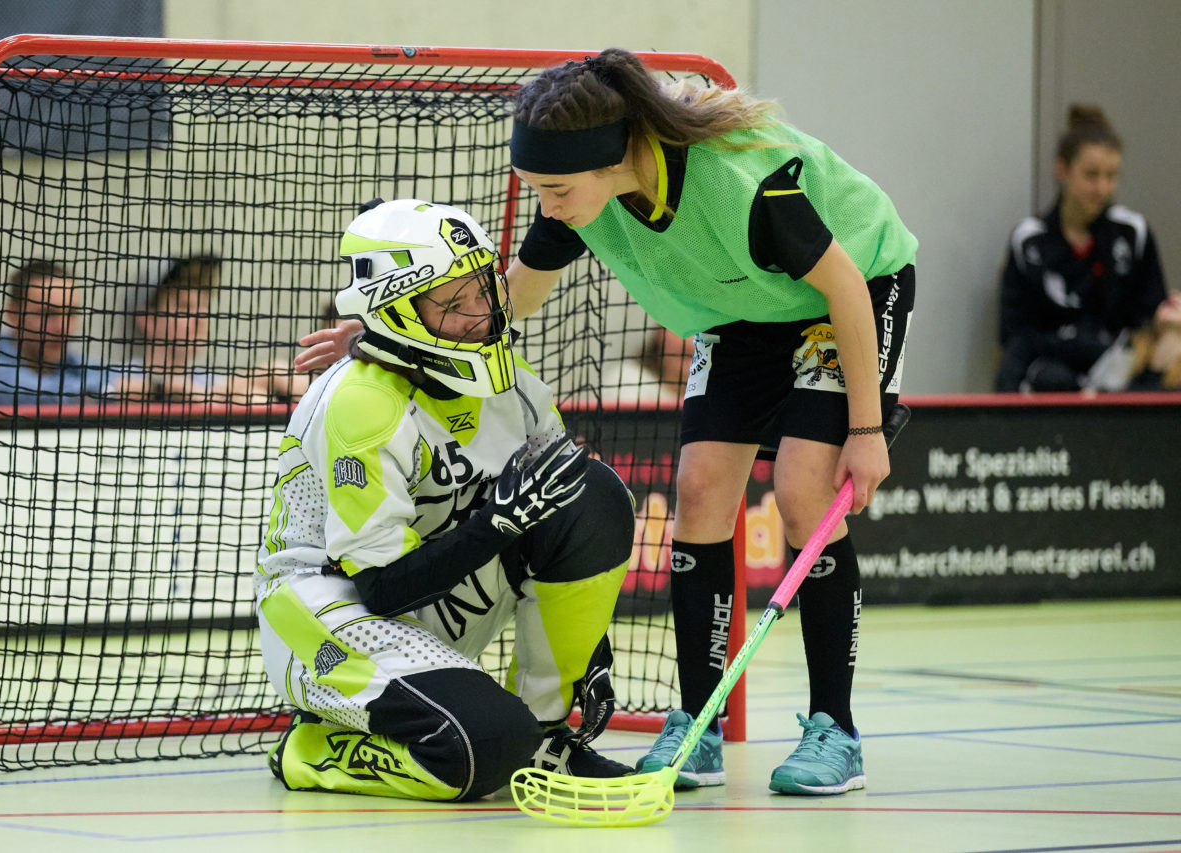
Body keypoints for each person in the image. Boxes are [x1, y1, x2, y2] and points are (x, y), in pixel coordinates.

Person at [296, 49, 916, 797]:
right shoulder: (578, 198)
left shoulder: (743, 187)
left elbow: (846, 285)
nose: (547, 207)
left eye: (555, 191)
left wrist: (867, 428)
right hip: (742, 312)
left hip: (848, 294)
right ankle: (696, 718)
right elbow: (508, 302)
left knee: (803, 491)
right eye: (538, 191)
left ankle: (834, 727)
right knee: (699, 486)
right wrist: (386, 339)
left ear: (613, 157)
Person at [257, 199, 636, 802]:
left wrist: (587, 653)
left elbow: (565, 510)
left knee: (594, 495)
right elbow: (380, 588)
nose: (482, 314)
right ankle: (311, 750)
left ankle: (546, 735)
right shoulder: (361, 405)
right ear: (398, 311)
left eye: (482, 289)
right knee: (479, 754)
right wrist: (500, 522)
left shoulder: (512, 381)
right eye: (454, 304)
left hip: (436, 582)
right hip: (335, 614)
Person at [995, 105, 1167, 393]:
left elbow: (1150, 322)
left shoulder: (1132, 233)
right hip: (1047, 380)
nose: (1102, 188)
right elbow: (1013, 336)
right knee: (1052, 379)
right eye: (1091, 175)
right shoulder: (1029, 241)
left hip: (1119, 380)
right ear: (1062, 170)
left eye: (1111, 176)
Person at [118, 256, 312, 405]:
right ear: (148, 320)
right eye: (185, 307)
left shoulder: (212, 382)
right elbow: (108, 388)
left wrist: (269, 374)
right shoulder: (109, 376)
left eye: (203, 306)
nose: (200, 319)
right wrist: (174, 391)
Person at [0, 259, 117, 408]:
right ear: (14, 315)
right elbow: (39, 395)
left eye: (71, 313)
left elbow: (122, 375)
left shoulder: (70, 364)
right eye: (48, 314)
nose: (63, 328)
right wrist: (112, 390)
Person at [604, 324, 696, 406]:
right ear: (660, 334)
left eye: (704, 331)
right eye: (681, 328)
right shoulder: (629, 381)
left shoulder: (706, 403)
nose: (690, 343)